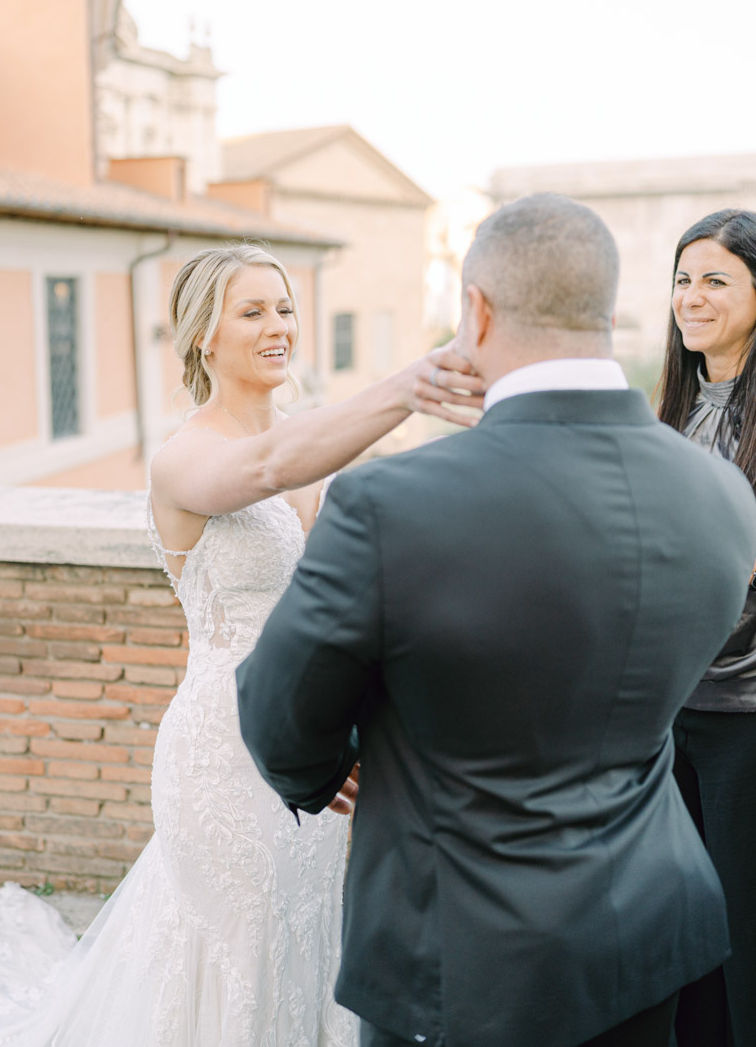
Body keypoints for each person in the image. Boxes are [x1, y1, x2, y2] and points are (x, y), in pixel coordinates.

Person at [237, 194, 756, 1047]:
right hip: (649, 943)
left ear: (475, 311)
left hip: (459, 957)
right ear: (609, 310)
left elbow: (278, 719)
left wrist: (328, 770)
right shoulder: (719, 495)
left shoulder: (383, 502)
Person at [0, 243, 484, 1046]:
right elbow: (267, 466)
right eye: (253, 311)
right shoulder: (184, 459)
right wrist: (410, 384)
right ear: (204, 335)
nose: (279, 327)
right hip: (225, 753)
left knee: (315, 944)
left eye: (285, 308)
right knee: (241, 953)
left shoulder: (313, 441)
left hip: (325, 744)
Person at [657, 209, 756, 1047]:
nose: (692, 297)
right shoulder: (677, 410)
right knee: (680, 938)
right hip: (672, 713)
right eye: (684, 280)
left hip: (747, 718)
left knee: (745, 942)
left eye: (716, 279)